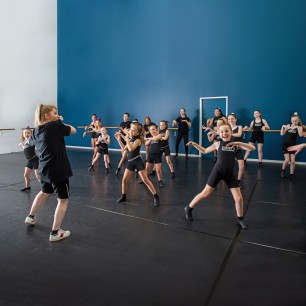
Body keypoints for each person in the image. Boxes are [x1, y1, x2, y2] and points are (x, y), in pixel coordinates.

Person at [184, 123, 255, 229]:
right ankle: (188, 208)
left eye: (226, 131)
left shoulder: (236, 145)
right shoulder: (218, 144)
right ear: (219, 133)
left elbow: (252, 148)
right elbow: (204, 151)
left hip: (229, 174)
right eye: (221, 132)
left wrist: (239, 142)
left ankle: (240, 219)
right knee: (205, 194)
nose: (224, 133)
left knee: (239, 198)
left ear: (231, 132)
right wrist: (194, 144)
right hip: (218, 171)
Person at [24, 104, 77, 242]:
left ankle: (30, 216)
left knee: (45, 192)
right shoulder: (55, 126)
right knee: (63, 200)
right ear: (47, 115)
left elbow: (28, 143)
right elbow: (74, 130)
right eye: (55, 112)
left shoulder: (36, 131)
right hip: (58, 170)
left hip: (44, 169)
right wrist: (60, 121)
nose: (57, 114)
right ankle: (55, 233)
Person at [114, 122, 160, 206]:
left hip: (138, 162)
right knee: (124, 180)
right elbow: (125, 149)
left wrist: (127, 140)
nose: (131, 131)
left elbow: (131, 149)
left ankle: (156, 196)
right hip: (131, 162)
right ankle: (123, 196)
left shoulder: (138, 140)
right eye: (130, 129)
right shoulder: (130, 138)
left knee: (145, 180)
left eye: (133, 130)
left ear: (138, 133)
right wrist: (119, 140)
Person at [280, 113, 304, 179]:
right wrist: (283, 127)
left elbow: (301, 135)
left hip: (293, 146)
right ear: (291, 120)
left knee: (293, 161)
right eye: (293, 121)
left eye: (296, 121)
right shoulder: (288, 125)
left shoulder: (299, 127)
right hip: (285, 145)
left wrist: (297, 127)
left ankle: (291, 174)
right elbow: (282, 134)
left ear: (298, 120)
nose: (294, 122)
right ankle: (282, 171)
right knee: (287, 160)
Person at [227, 113, 245, 187]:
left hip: (237, 148)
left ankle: (238, 181)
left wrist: (229, 134)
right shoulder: (227, 127)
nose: (230, 120)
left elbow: (239, 134)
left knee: (242, 166)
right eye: (229, 119)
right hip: (228, 148)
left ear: (235, 119)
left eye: (232, 118)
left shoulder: (239, 126)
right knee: (226, 165)